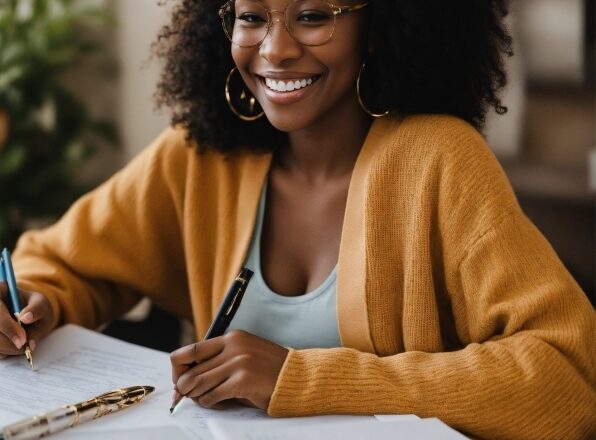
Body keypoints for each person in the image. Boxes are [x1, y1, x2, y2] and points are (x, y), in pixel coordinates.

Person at [0, 0, 594, 438]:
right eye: (252, 16)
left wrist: (301, 377)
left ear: (379, 24)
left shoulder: (440, 161)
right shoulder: (199, 157)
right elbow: (56, 260)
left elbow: (567, 373)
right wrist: (34, 299)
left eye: (313, 15)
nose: (275, 49)